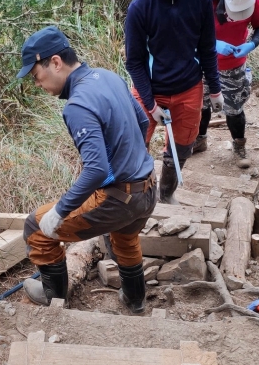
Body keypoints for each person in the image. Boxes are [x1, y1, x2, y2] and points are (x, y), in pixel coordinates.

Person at [17, 27, 157, 314]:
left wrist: (60, 211)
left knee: (35, 227)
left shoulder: (77, 104)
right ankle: (135, 300)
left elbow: (95, 170)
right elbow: (143, 121)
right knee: (124, 237)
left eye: (36, 76)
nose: (37, 84)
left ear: (55, 62)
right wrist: (131, 160)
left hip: (118, 200)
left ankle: (53, 297)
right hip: (148, 188)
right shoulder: (108, 76)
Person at [125, 0, 224, 204]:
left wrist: (215, 90)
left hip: (188, 88)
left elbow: (207, 48)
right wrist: (151, 104)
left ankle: (165, 195)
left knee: (182, 147)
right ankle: (139, 200)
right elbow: (134, 62)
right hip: (149, 89)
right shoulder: (140, 8)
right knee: (133, 145)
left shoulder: (201, 1)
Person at [195, 0, 259, 167]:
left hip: (233, 64)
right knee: (200, 105)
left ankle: (239, 145)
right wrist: (213, 43)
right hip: (201, 61)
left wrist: (251, 44)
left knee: (234, 108)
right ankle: (199, 140)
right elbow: (185, 29)